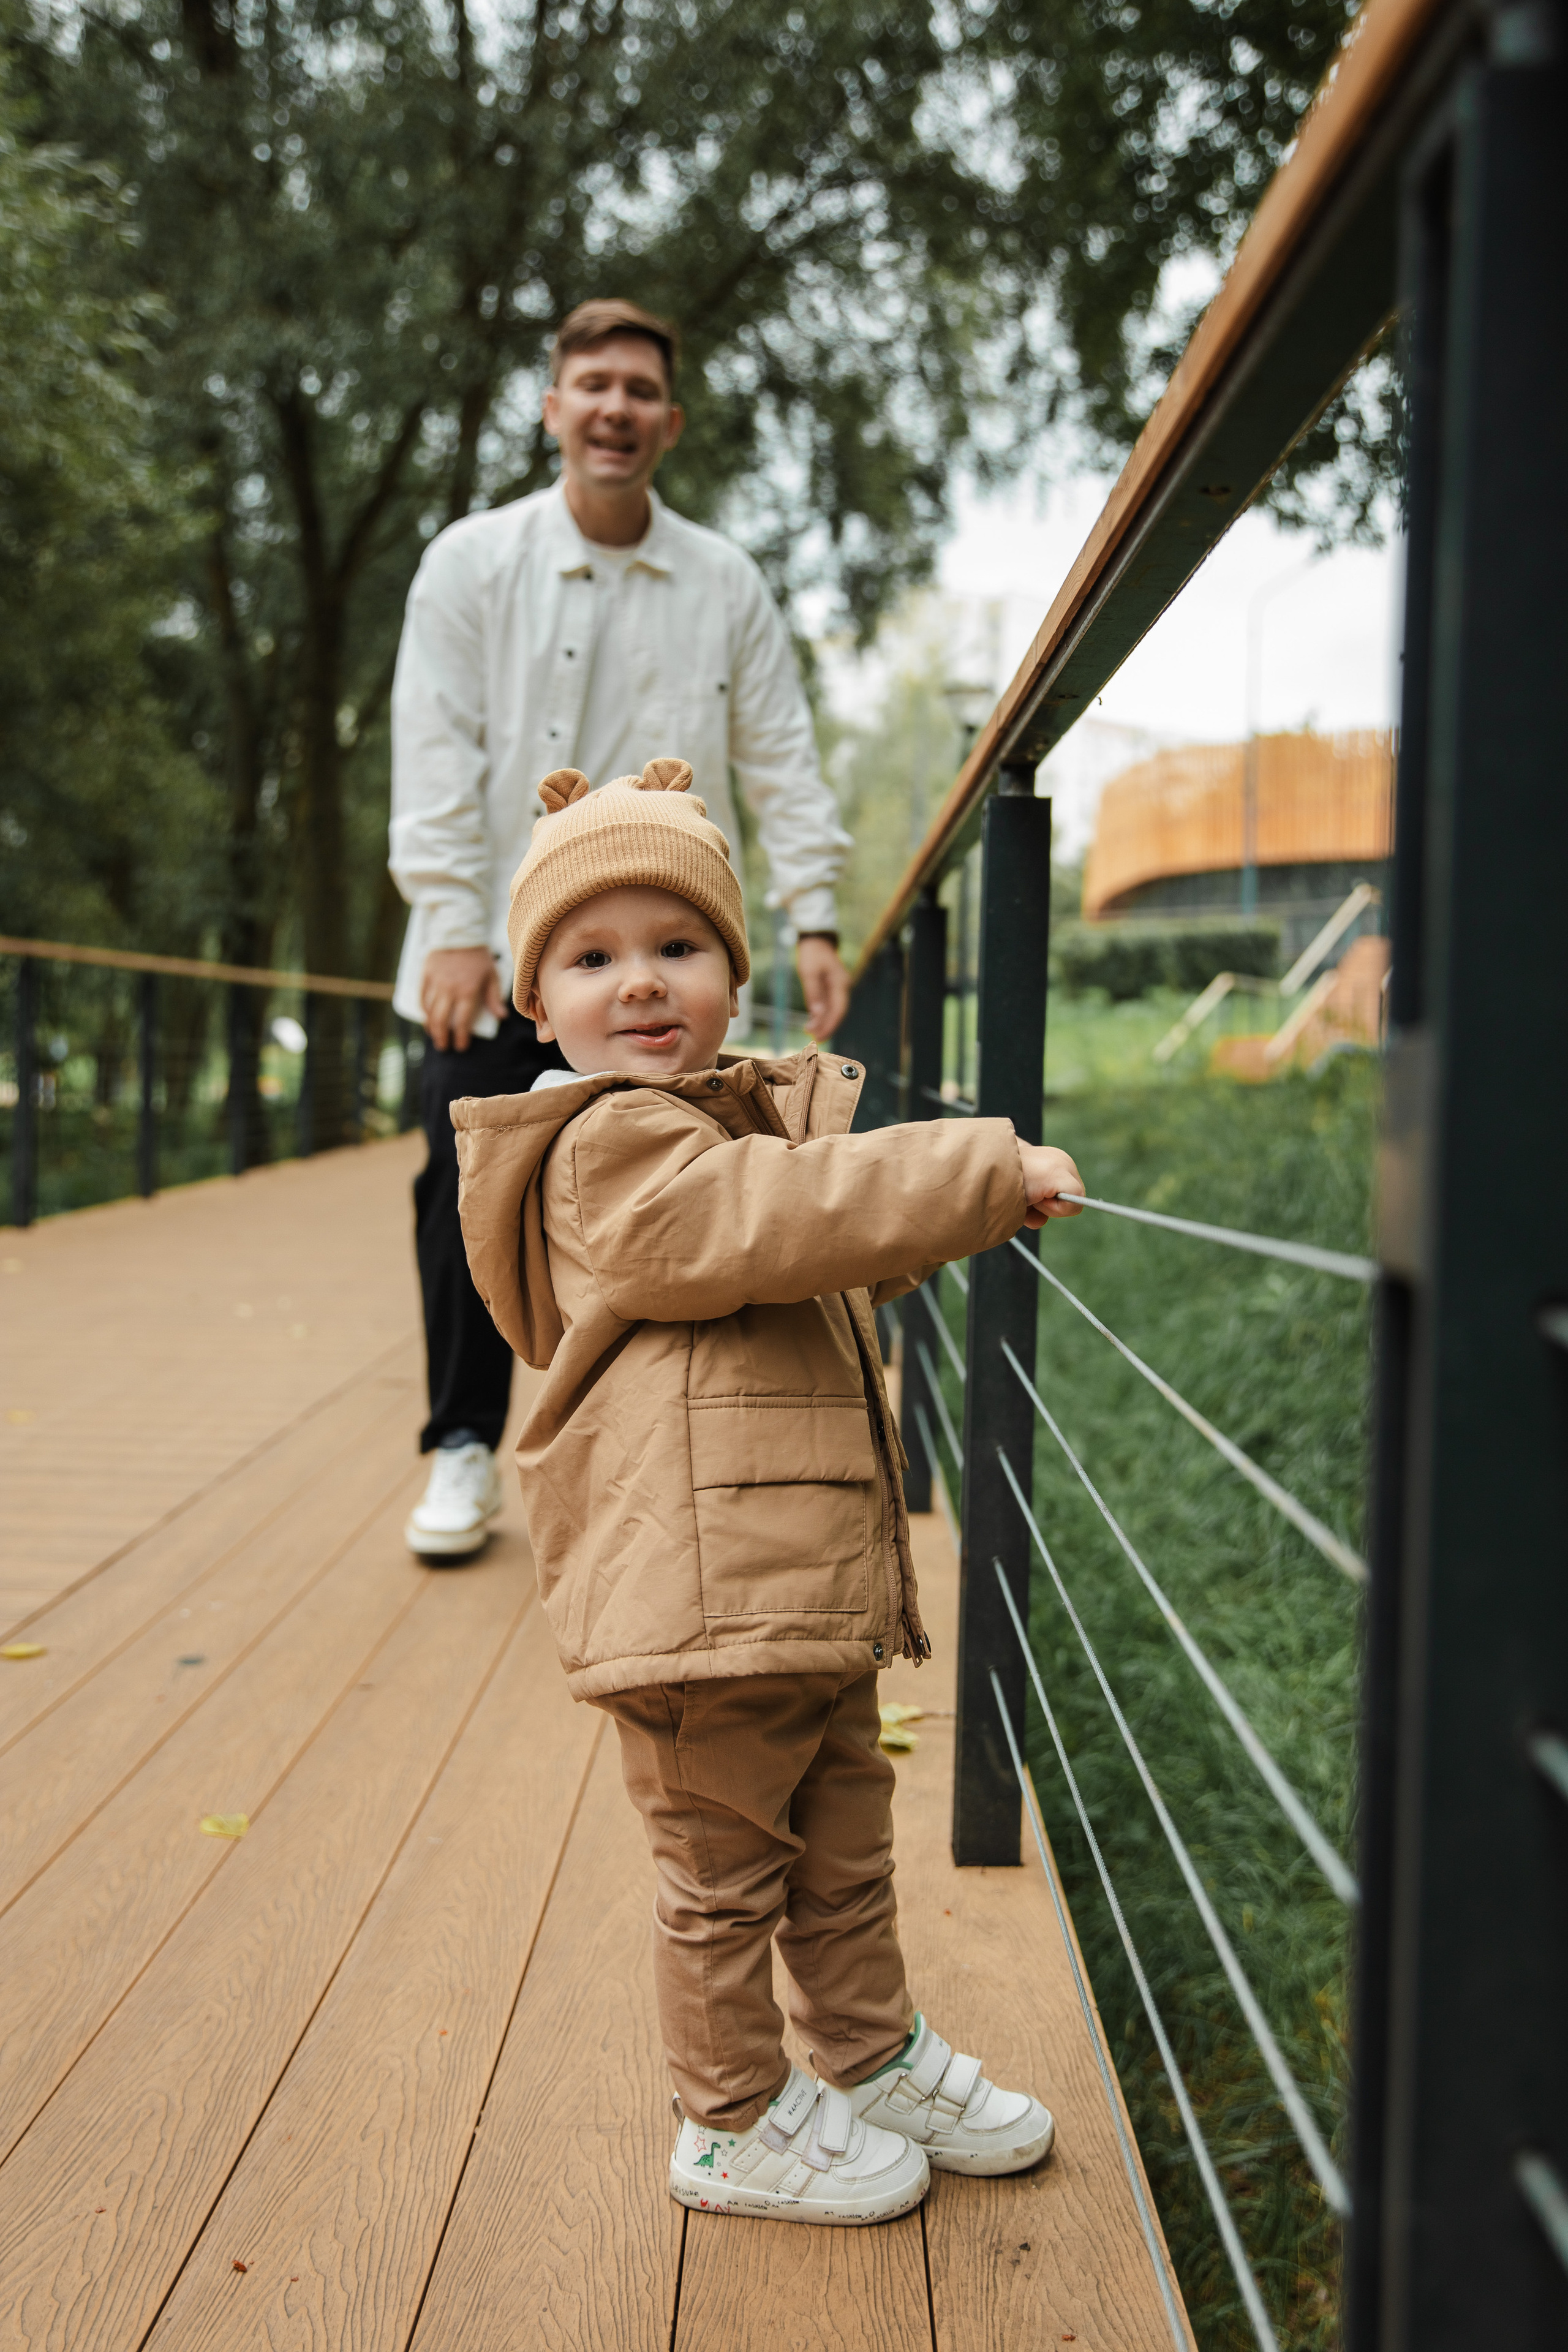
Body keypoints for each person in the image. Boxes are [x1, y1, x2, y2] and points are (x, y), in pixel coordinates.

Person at [453, 758, 1085, 2225]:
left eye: (678, 947)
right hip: (693, 1602)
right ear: (536, 1004)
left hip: (783, 1585)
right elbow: (766, 1222)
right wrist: (975, 1170)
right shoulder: (602, 1146)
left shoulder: (721, 1130)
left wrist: (925, 1229)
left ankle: (867, 2058)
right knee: (723, 1879)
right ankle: (729, 2120)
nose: (641, 984)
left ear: (737, 980)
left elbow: (806, 1256)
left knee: (843, 1849)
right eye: (593, 957)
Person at [389, 297, 853, 1561]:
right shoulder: (470, 564)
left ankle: (677, 1462)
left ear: (669, 422)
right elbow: (434, 750)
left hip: (668, 961)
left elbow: (781, 754)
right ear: (552, 409)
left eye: (639, 390)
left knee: (695, 1193)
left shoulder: (724, 581)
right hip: (501, 953)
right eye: (591, 383)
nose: (614, 407)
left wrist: (813, 912)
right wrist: (447, 923)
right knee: (471, 1187)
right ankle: (463, 1444)